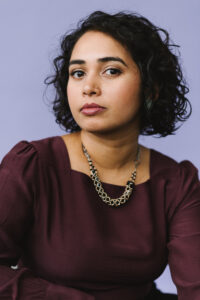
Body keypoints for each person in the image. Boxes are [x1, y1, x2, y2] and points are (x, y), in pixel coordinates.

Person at [0, 10, 199, 300]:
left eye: (111, 71)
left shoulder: (177, 182)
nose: (89, 88)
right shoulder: (32, 165)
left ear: (151, 88)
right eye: (78, 73)